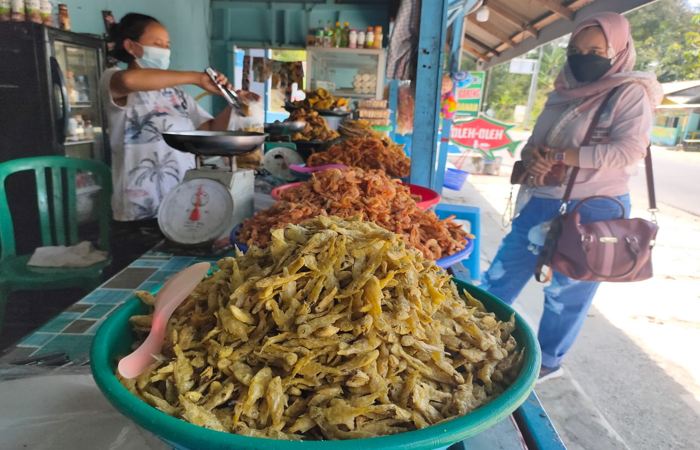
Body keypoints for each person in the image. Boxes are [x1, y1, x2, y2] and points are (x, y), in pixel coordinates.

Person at [481, 12, 662, 382]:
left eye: (596, 50)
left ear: (619, 50)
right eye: (576, 49)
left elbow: (628, 150)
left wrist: (563, 157)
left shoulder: (627, 93)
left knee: (567, 293)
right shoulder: (561, 92)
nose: (584, 57)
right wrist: (534, 157)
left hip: (591, 209)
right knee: (500, 277)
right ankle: (477, 337)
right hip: (542, 200)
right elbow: (536, 142)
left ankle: (547, 362)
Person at [100, 12, 255, 222]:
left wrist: (234, 103)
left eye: (167, 45)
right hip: (140, 207)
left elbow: (208, 128)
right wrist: (196, 78)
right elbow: (129, 81)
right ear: (131, 46)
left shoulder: (176, 93)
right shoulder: (113, 79)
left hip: (181, 201)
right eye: (157, 43)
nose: (164, 50)